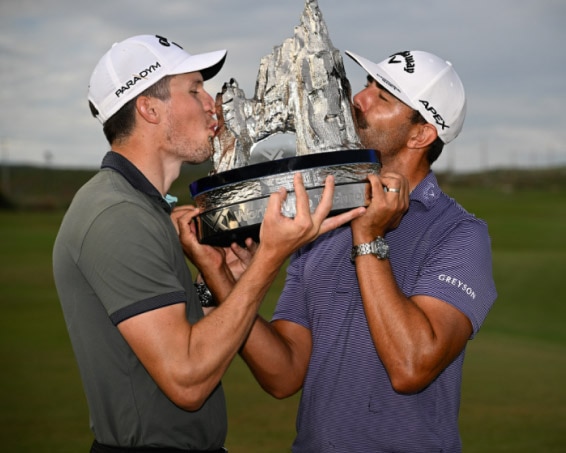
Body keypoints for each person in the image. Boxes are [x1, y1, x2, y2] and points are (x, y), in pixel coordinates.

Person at [52, 34, 364, 453]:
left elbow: (184, 338)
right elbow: (187, 379)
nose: (212, 104)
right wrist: (269, 259)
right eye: (194, 90)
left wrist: (217, 278)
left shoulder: (144, 206)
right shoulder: (117, 215)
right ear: (149, 108)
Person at [202, 50, 498, 452]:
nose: (359, 99)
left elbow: (411, 367)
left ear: (420, 135)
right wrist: (222, 279)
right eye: (368, 86)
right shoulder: (323, 218)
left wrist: (368, 237)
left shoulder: (461, 234)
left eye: (384, 97)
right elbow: (284, 374)